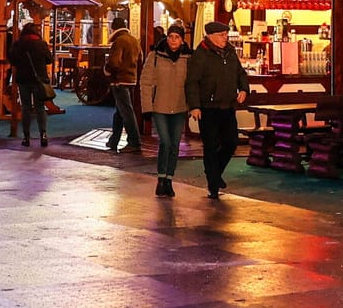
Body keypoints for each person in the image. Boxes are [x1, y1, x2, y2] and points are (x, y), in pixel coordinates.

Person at [185, 21, 249, 199]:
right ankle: (213, 185)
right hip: (208, 108)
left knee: (231, 142)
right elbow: (192, 83)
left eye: (226, 35)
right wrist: (195, 106)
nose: (225, 38)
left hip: (228, 105)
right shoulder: (201, 55)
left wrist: (243, 89)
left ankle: (214, 174)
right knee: (211, 146)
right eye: (222, 35)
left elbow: (240, 73)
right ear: (211, 36)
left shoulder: (230, 52)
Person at [138, 23, 191, 196]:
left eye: (177, 37)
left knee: (175, 144)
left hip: (179, 106)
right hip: (159, 106)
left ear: (182, 40)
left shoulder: (188, 58)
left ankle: (169, 178)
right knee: (165, 142)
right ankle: (161, 179)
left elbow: (193, 84)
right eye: (170, 36)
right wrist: (147, 108)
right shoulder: (155, 56)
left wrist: (193, 105)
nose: (173, 40)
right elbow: (145, 83)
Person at [7, 22, 53, 147]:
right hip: (39, 80)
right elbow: (50, 59)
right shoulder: (41, 44)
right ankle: (43, 134)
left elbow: (12, 60)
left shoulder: (18, 44)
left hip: (23, 79)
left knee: (25, 108)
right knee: (40, 107)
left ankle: (26, 137)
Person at [105, 22, 143, 154]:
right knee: (120, 111)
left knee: (126, 112)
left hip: (119, 80)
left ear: (114, 29)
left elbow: (114, 62)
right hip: (131, 79)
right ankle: (113, 140)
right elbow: (140, 59)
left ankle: (134, 142)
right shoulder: (134, 40)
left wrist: (107, 71)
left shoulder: (119, 41)